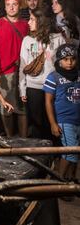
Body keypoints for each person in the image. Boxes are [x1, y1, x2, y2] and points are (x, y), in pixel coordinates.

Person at [0, 0, 29, 137]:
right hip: (4, 73)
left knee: (23, 109)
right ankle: (10, 139)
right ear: (4, 7)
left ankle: (23, 141)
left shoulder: (25, 25)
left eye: (15, 4)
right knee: (7, 109)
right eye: (8, 4)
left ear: (19, 6)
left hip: (24, 73)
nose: (11, 7)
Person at [19, 9, 65, 139]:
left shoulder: (57, 38)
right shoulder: (27, 40)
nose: (28, 22)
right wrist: (22, 89)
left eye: (32, 19)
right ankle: (40, 156)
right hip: (33, 88)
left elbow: (63, 65)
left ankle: (55, 155)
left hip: (53, 87)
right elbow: (23, 66)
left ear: (41, 21)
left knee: (54, 122)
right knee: (37, 125)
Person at [44, 44, 80, 180]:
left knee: (76, 151)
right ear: (59, 60)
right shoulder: (53, 77)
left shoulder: (78, 75)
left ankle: (72, 179)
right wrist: (53, 123)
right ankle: (59, 180)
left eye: (72, 59)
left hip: (78, 120)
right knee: (70, 152)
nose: (69, 62)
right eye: (65, 59)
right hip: (65, 121)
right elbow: (48, 101)